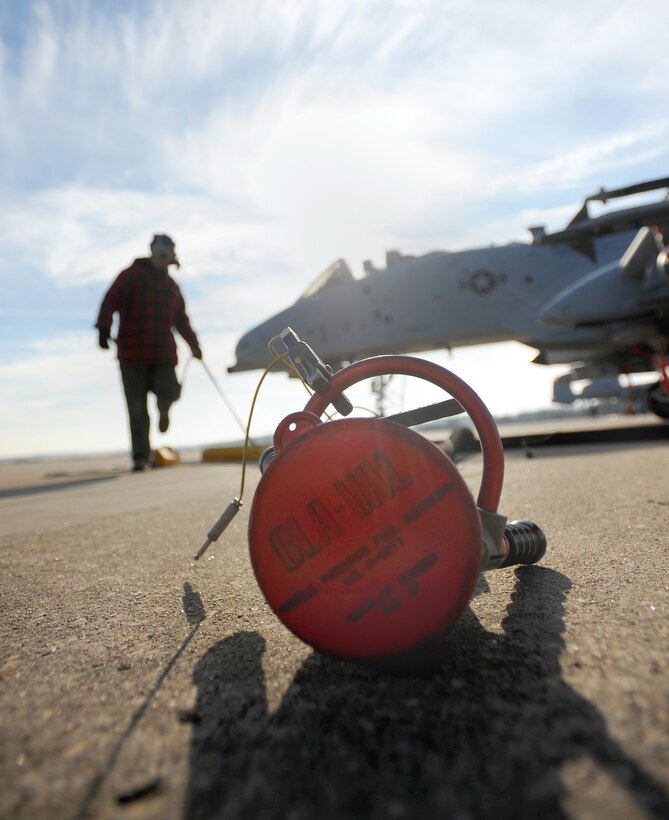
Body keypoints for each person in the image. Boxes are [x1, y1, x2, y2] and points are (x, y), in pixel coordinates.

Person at [95, 234, 202, 471]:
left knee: (171, 390)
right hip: (131, 354)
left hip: (163, 353)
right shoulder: (130, 275)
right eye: (160, 248)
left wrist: (194, 345)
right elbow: (110, 300)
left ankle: (164, 408)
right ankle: (141, 457)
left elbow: (181, 320)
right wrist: (103, 327)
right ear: (153, 250)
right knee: (137, 408)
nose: (164, 253)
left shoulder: (172, 286)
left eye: (169, 250)